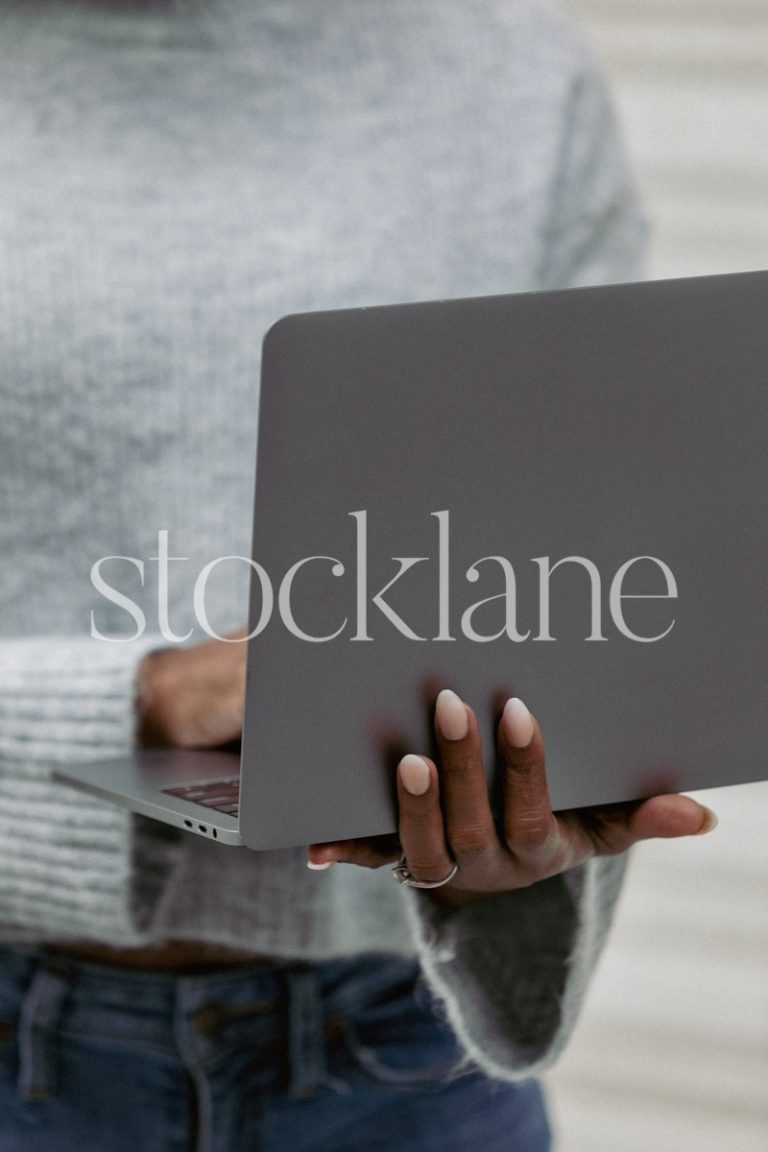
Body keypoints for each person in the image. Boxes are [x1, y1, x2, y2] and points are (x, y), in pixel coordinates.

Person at [0, 1, 717, 1149]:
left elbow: (583, 581)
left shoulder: (509, 68)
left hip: (410, 1071)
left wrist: (510, 866)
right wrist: (146, 695)